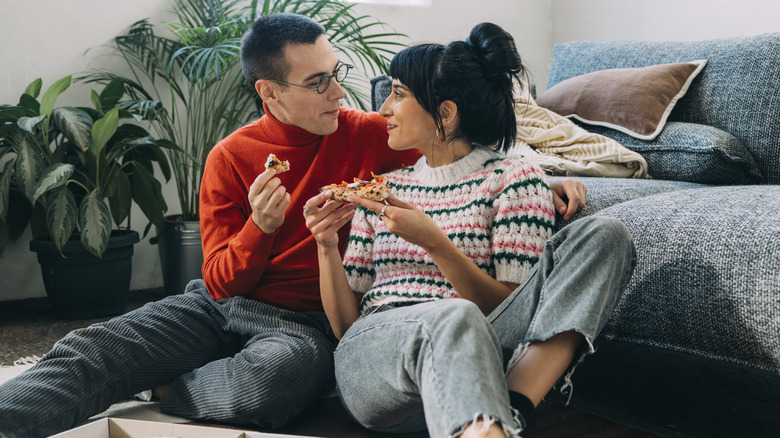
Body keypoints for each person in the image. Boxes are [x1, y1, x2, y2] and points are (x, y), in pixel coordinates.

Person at [0, 14, 586, 438]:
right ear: (269, 92)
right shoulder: (231, 157)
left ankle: (165, 388)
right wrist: (259, 227)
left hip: (307, 325)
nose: (340, 92)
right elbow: (220, 280)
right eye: (318, 83)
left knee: (272, 383)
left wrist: (545, 176)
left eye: (336, 72)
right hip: (219, 305)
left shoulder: (371, 136)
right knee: (95, 349)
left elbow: (458, 143)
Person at [304, 22, 636, 438]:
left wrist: (435, 243)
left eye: (399, 94)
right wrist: (325, 245)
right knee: (453, 315)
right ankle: (494, 415)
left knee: (605, 235)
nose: (384, 108)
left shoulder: (515, 179)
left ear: (445, 112)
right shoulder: (384, 189)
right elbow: (346, 327)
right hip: (379, 363)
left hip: (479, 351)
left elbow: (509, 310)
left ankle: (504, 411)